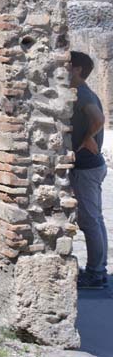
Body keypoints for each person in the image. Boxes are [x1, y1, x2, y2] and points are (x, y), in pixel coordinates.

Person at [69, 50, 108, 289]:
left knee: (90, 221)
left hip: (86, 168)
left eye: (68, 65)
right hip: (92, 167)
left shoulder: (82, 93)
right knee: (96, 219)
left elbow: (99, 119)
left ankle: (95, 274)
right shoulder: (83, 92)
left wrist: (87, 138)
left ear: (78, 69)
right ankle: (99, 269)